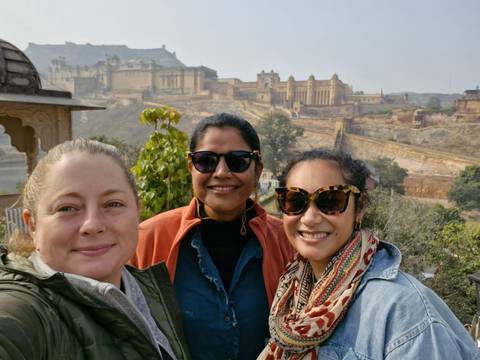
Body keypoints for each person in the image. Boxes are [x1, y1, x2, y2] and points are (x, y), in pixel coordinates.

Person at [259, 148, 480, 359]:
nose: (309, 218)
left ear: (360, 208)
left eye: (331, 201)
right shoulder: (293, 291)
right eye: (295, 201)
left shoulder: (402, 311)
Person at [0, 139, 190, 360]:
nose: (92, 225)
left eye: (113, 204)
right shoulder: (25, 311)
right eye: (67, 208)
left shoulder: (143, 293)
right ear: (32, 223)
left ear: (137, 211)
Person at [131, 113, 294, 359]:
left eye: (237, 161)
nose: (221, 172)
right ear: (191, 167)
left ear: (258, 170)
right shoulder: (148, 239)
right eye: (206, 161)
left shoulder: (286, 241)